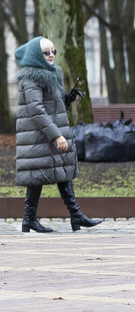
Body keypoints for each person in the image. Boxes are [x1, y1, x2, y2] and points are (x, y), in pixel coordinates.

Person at [14, 36, 101, 232]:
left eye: (53, 51)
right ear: (37, 54)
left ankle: (75, 216)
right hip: (39, 136)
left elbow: (53, 107)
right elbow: (36, 110)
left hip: (49, 132)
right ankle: (31, 219)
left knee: (61, 172)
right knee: (37, 175)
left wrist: (67, 100)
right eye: (46, 52)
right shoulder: (31, 77)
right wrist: (56, 135)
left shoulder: (52, 74)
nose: (51, 55)